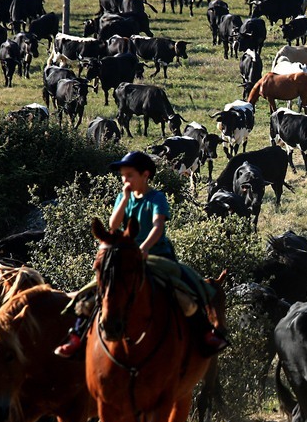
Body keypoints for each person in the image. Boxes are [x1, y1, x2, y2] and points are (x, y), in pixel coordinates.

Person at [55, 151, 227, 357]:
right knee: (94, 291)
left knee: (187, 287)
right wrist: (125, 198)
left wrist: (144, 247)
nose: (125, 179)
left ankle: (206, 333)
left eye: (129, 175)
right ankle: (76, 336)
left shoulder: (156, 198)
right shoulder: (123, 197)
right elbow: (113, 225)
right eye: (123, 175)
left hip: (157, 255)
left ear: (145, 175)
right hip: (126, 255)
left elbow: (158, 226)